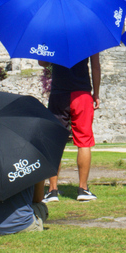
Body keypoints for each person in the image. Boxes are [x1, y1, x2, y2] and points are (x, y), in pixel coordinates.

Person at [39, 54, 100, 202]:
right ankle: (83, 189)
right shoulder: (90, 35)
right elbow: (96, 66)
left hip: (59, 93)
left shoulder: (54, 33)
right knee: (84, 140)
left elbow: (43, 63)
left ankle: (52, 190)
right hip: (82, 92)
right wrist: (96, 94)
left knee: (55, 141)